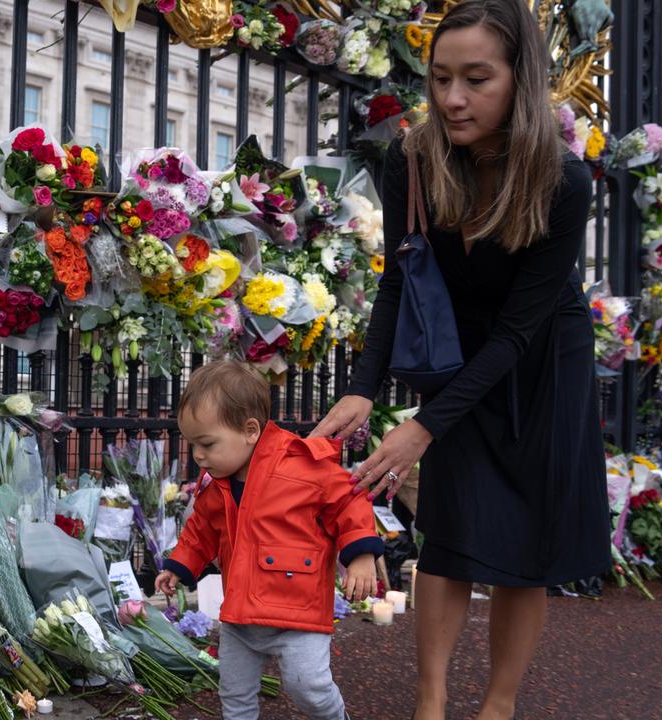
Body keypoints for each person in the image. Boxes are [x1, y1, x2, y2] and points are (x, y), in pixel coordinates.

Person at [310, 2, 611, 719]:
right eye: (441, 78)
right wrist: (362, 389)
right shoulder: (410, 160)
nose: (452, 98)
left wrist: (424, 425)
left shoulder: (564, 183)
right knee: (448, 530)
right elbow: (397, 282)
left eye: (477, 79)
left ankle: (499, 705)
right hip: (460, 356)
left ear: (521, 80)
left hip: (541, 361)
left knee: (526, 545)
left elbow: (516, 334)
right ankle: (431, 699)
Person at [155, 360, 382, 720]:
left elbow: (348, 499)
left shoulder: (301, 466)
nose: (198, 455)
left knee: (309, 688)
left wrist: (361, 555)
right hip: (242, 621)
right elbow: (200, 531)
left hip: (298, 617)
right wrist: (179, 567)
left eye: (207, 443)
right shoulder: (218, 488)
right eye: (192, 444)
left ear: (249, 430)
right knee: (234, 694)